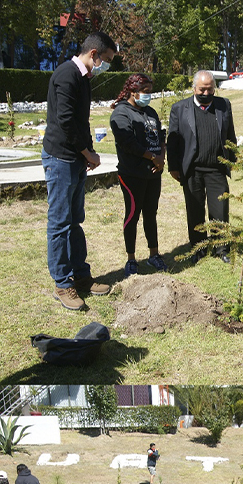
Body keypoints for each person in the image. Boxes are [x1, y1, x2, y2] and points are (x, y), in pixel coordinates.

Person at [42, 31, 117, 311]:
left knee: (75, 220)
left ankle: (81, 276)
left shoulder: (84, 78)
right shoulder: (66, 75)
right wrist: (86, 152)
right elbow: (65, 122)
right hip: (60, 158)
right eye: (107, 60)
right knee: (60, 223)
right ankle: (63, 283)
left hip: (75, 159)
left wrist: (88, 151)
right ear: (94, 54)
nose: (107, 65)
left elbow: (81, 121)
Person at [167, 70, 237, 265]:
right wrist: (173, 166)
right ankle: (198, 248)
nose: (206, 94)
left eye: (210, 89)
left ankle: (221, 247)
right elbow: (172, 141)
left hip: (216, 168)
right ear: (194, 88)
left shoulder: (224, 105)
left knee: (220, 210)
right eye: (202, 90)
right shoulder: (180, 109)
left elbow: (230, 133)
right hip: (192, 170)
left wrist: (233, 158)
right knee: (195, 211)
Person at [109, 73, 166, 278]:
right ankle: (131, 259)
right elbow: (128, 143)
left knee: (151, 214)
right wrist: (152, 157)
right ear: (133, 92)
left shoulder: (150, 112)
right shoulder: (121, 113)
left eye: (151, 92)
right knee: (132, 215)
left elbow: (160, 136)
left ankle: (154, 254)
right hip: (131, 174)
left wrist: (161, 156)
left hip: (153, 173)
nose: (149, 96)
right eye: (146, 92)